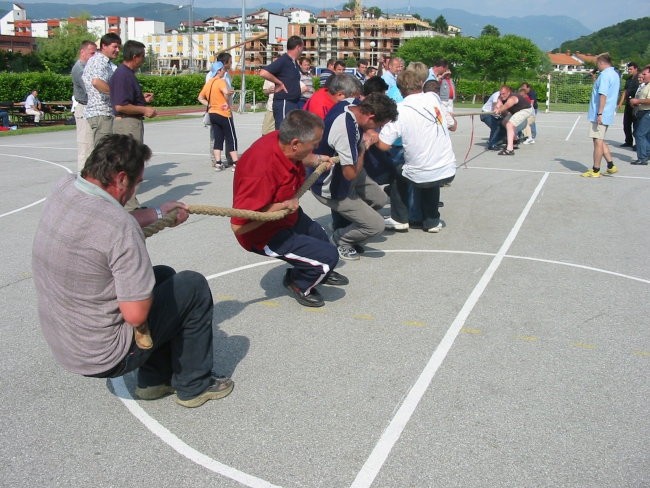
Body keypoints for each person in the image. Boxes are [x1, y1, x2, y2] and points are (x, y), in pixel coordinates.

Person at [32, 134, 234, 408]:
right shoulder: (119, 227)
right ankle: (194, 385)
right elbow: (135, 314)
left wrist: (159, 214)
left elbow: (109, 224)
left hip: (67, 342)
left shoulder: (64, 187)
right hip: (105, 355)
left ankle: (154, 381)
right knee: (192, 286)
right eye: (138, 182)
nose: (136, 188)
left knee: (163, 276)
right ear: (122, 179)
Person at [230, 110, 348, 308]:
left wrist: (316, 158)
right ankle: (298, 283)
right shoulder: (260, 172)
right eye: (315, 143)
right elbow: (239, 228)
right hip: (264, 234)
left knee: (320, 236)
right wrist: (281, 207)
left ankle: (319, 269)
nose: (317, 146)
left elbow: (301, 157)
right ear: (295, 144)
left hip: (288, 215)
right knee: (328, 257)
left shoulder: (281, 141)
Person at [310, 93, 398, 261]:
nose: (378, 130)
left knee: (380, 199)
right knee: (377, 226)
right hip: (331, 184)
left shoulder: (352, 104)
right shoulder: (345, 130)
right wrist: (363, 148)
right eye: (379, 125)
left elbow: (355, 103)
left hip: (347, 170)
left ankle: (345, 222)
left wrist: (369, 130)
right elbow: (349, 174)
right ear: (371, 116)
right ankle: (340, 239)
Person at [377, 69, 457, 233]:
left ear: (400, 89)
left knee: (398, 170)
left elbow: (383, 145)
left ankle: (399, 218)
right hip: (448, 168)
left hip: (422, 172)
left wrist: (373, 133)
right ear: (421, 84)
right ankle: (432, 221)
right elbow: (453, 125)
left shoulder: (400, 109)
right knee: (431, 171)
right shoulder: (433, 98)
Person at [110, 40, 156, 144]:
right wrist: (145, 110)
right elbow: (120, 106)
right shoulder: (123, 75)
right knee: (130, 159)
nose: (144, 60)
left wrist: (141, 99)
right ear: (135, 57)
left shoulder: (127, 73)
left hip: (129, 123)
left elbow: (125, 98)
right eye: (142, 56)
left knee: (133, 158)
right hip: (127, 124)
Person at [582, 53, 620, 177]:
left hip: (601, 113)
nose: (597, 67)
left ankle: (595, 169)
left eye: (597, 64)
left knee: (597, 141)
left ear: (602, 63)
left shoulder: (604, 75)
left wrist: (599, 113)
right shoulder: (614, 74)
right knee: (600, 139)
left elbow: (603, 94)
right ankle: (610, 165)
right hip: (607, 112)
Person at [198, 61, 239, 171]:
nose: (224, 71)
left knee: (218, 138)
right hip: (224, 113)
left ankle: (218, 163)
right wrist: (228, 96)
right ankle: (235, 163)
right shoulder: (221, 81)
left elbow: (200, 97)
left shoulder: (209, 83)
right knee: (231, 138)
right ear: (219, 71)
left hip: (213, 113)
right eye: (223, 70)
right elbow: (226, 92)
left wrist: (209, 104)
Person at [83, 32, 122, 145]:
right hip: (101, 113)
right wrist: (117, 94)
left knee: (107, 152)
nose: (118, 50)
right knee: (103, 153)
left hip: (105, 113)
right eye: (114, 47)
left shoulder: (106, 63)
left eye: (119, 47)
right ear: (104, 46)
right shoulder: (98, 61)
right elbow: (97, 82)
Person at [259, 35, 304, 129]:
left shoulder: (294, 62)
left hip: (293, 102)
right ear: (298, 47)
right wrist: (279, 82)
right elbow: (263, 73)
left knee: (292, 133)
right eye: (302, 47)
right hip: (284, 102)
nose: (302, 50)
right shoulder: (284, 60)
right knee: (283, 133)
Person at [71, 40, 97, 171]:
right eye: (92, 53)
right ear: (82, 52)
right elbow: (91, 89)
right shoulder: (79, 69)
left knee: (93, 147)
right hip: (84, 109)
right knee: (86, 147)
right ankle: (83, 180)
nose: (94, 56)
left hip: (91, 109)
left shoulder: (88, 68)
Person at [493, 85, 534, 156]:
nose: (502, 95)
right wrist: (496, 108)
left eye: (504, 94)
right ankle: (514, 140)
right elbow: (498, 104)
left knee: (510, 124)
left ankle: (509, 150)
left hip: (525, 110)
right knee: (504, 122)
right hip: (515, 111)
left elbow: (505, 106)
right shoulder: (500, 97)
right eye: (501, 93)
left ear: (509, 92)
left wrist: (499, 110)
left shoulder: (512, 98)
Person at [629, 65, 650, 165]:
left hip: (647, 112)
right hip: (643, 111)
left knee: (639, 134)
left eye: (645, 74)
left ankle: (642, 158)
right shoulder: (645, 85)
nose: (643, 76)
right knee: (646, 135)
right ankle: (647, 154)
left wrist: (637, 100)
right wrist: (636, 103)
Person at [618, 62, 639, 149]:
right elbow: (625, 92)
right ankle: (628, 141)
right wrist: (620, 103)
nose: (629, 71)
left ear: (636, 68)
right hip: (628, 105)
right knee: (626, 124)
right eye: (628, 69)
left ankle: (638, 144)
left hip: (636, 105)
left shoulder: (640, 78)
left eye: (630, 69)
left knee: (636, 126)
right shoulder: (629, 79)